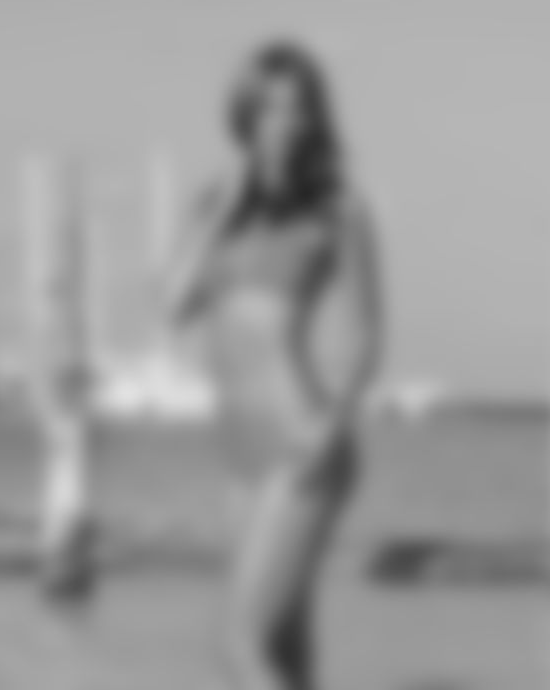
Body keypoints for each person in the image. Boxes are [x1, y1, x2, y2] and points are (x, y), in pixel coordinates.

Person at [166, 38, 385, 690]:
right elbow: (175, 303)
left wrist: (333, 425)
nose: (284, 121)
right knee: (286, 647)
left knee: (238, 644)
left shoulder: (339, 208)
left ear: (317, 116)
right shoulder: (215, 204)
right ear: (245, 114)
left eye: (298, 106)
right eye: (268, 107)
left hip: (300, 436)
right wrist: (225, 206)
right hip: (238, 450)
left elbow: (367, 335)